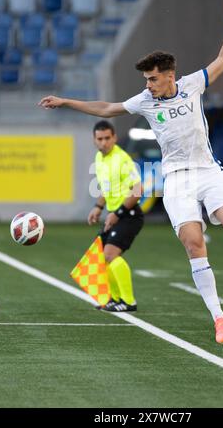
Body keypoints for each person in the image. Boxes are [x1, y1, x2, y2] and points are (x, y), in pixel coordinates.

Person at [39, 0, 223, 343]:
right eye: (146, 80)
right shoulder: (145, 101)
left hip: (208, 171)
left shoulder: (193, 85)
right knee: (194, 244)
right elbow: (107, 108)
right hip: (177, 181)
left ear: (169, 76)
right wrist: (66, 102)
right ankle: (219, 318)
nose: (147, 85)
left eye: (152, 79)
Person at [88, 120, 144, 312]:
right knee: (99, 257)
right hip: (114, 215)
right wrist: (98, 207)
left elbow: (138, 190)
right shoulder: (99, 158)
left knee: (110, 254)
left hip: (129, 215)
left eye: (107, 138)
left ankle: (129, 302)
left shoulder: (122, 159)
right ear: (94, 140)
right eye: (99, 139)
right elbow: (107, 187)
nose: (103, 142)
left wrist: (117, 213)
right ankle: (114, 298)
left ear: (114, 138)